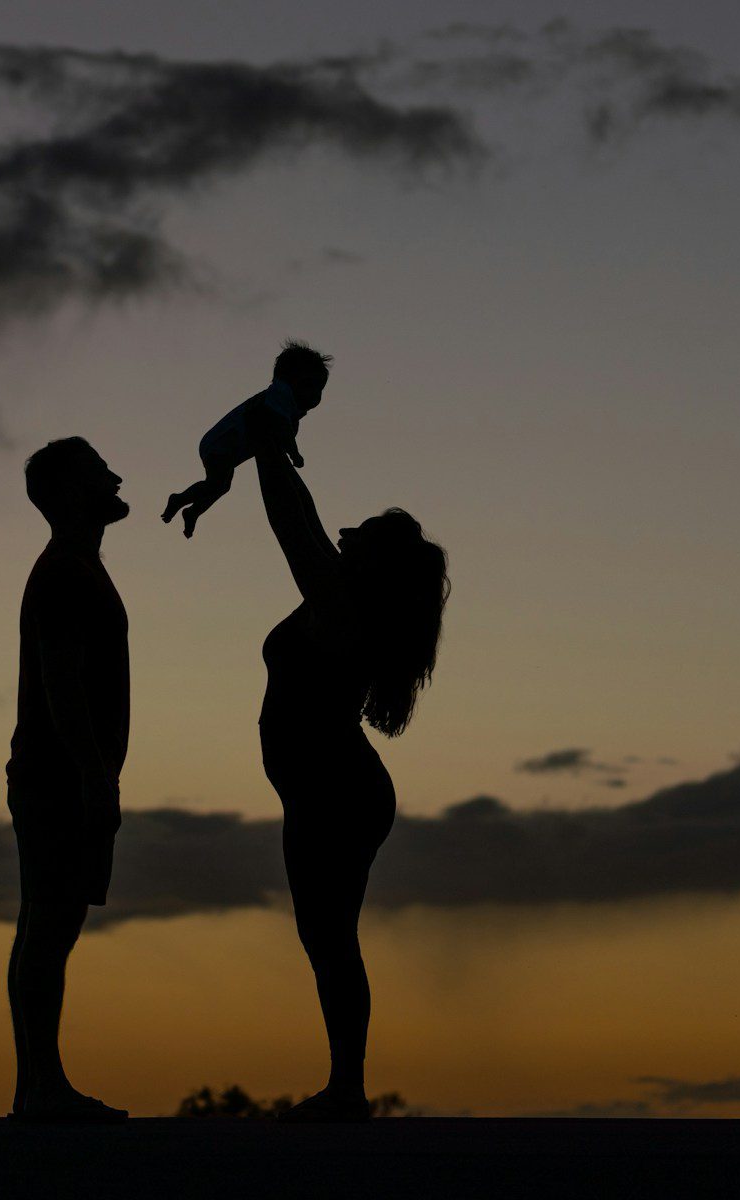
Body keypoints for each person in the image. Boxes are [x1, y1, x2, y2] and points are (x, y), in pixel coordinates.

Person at [247, 401, 450, 1122]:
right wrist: (275, 449)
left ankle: (346, 1090)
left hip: (335, 791)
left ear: (371, 561)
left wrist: (264, 448)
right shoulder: (343, 596)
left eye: (358, 532)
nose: (344, 531)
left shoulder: (340, 607)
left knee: (328, 937)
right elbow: (304, 517)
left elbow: (289, 530)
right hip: (330, 790)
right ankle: (346, 1087)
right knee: (328, 937)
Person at [4, 437, 131, 1122]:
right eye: (96, 471)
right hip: (59, 780)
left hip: (58, 777)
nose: (113, 476)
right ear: (64, 494)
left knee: (46, 925)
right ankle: (42, 1091)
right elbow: (61, 683)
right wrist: (94, 779)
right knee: (49, 925)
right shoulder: (66, 576)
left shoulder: (76, 569)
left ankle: (37, 1090)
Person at [160, 340, 330, 538]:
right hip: (221, 443)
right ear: (288, 379)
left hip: (229, 447)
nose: (315, 396)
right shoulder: (279, 394)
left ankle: (192, 511)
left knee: (221, 486)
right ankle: (179, 500)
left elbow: (286, 429)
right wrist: (294, 453)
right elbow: (281, 427)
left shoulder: (289, 407)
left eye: (319, 390)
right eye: (309, 386)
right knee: (217, 484)